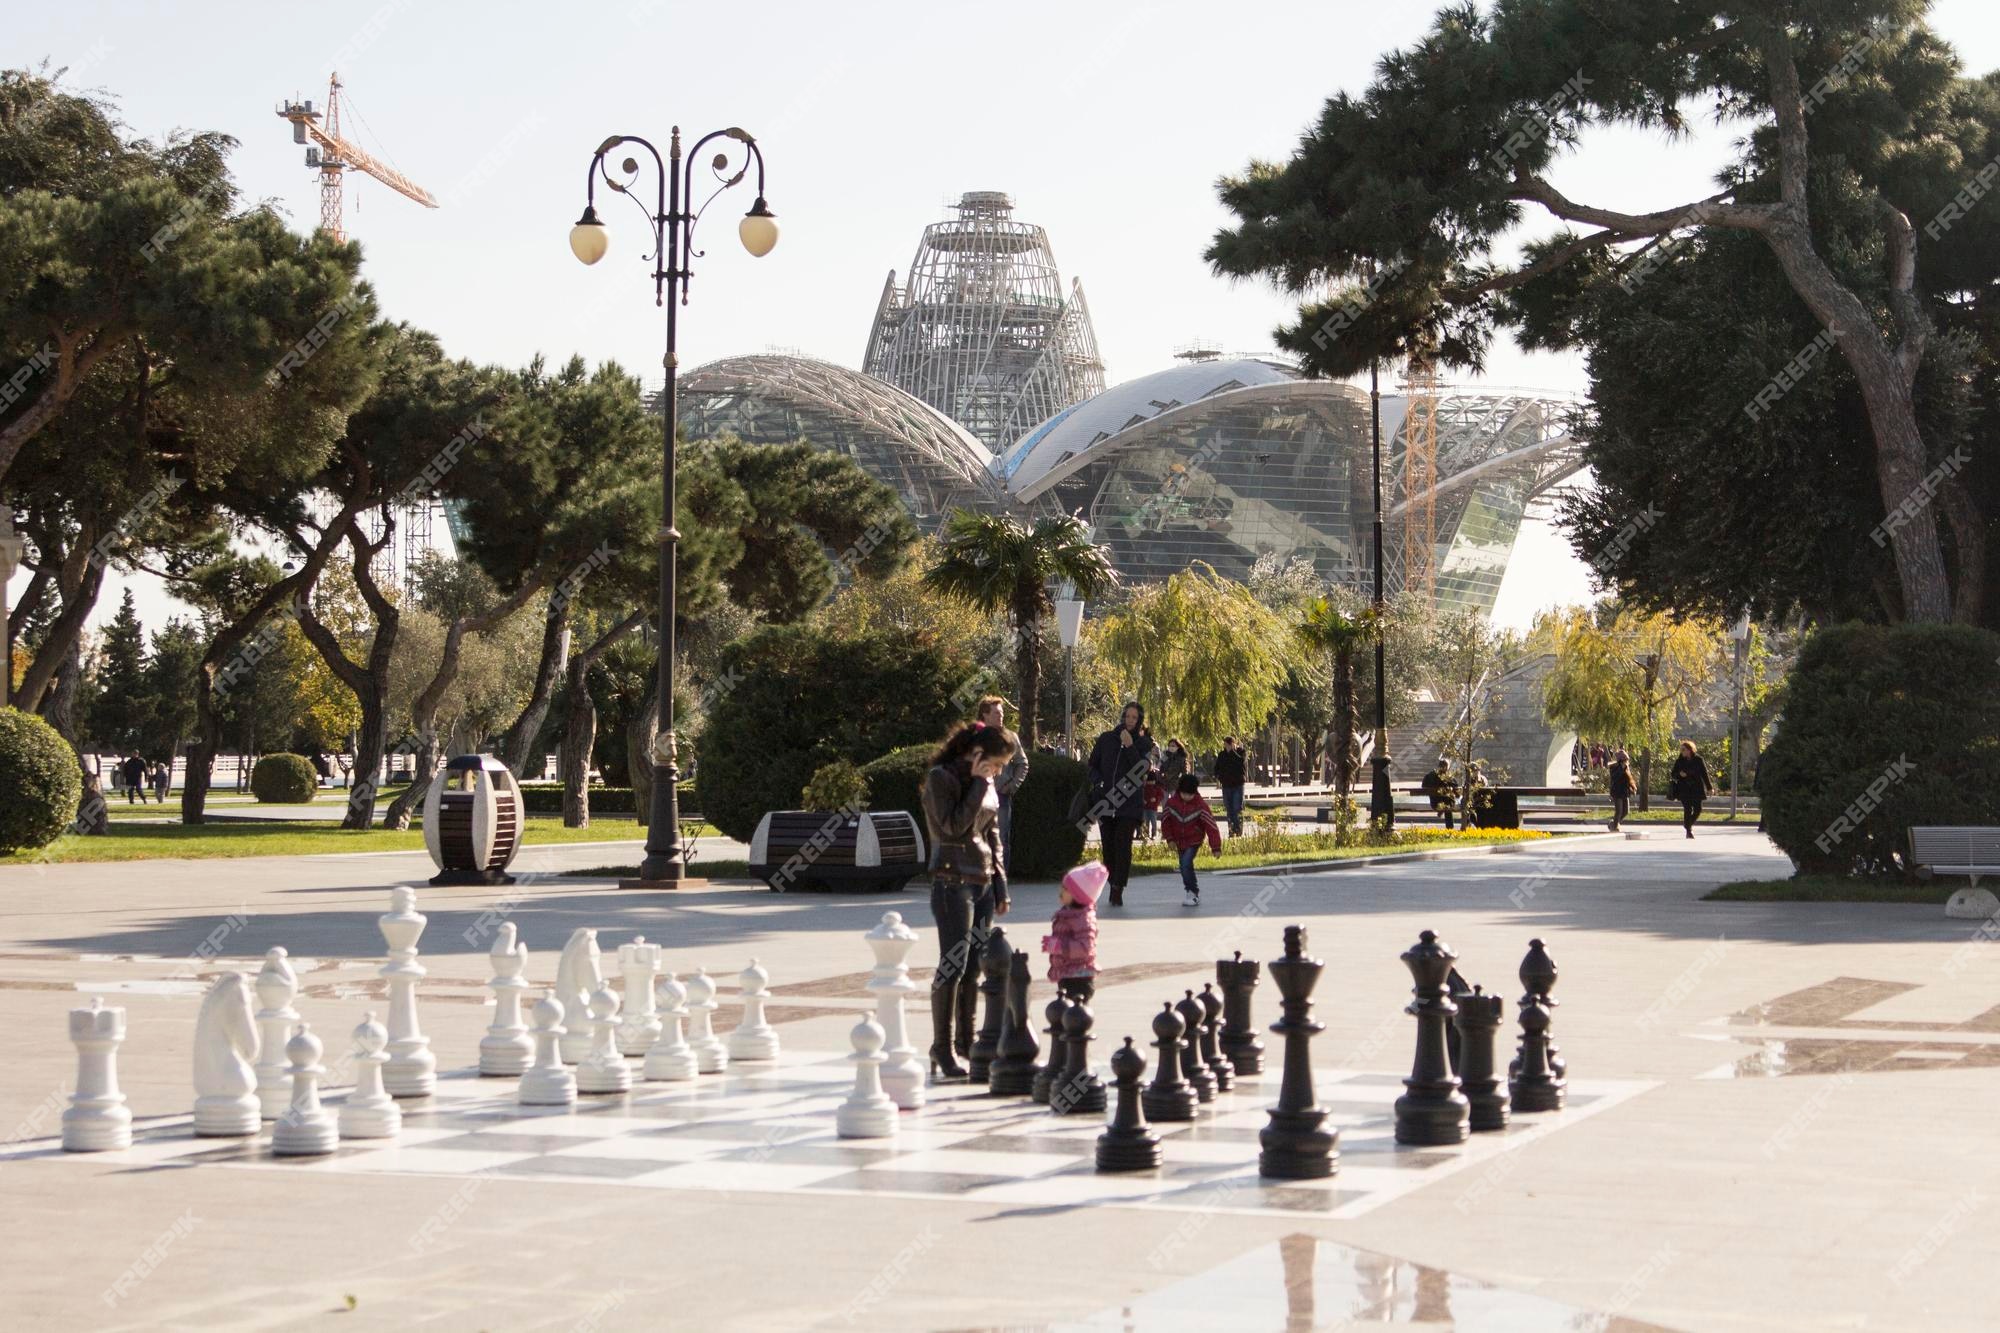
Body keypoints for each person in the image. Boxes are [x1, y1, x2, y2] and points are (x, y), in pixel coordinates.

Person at [919, 721, 1015, 1079]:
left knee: (974, 966)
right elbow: (953, 828)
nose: (999, 771)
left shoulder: (987, 782)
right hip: (951, 881)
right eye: (996, 763)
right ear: (976, 755)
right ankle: (941, 1048)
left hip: (983, 882)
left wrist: (1001, 885)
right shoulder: (941, 779)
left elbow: (993, 834)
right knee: (953, 965)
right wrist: (977, 781)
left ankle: (966, 1043)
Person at [1087, 702, 1156, 908]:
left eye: (1135, 718)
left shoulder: (1144, 744)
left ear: (1139, 721)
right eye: (1128, 716)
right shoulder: (1107, 739)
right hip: (1107, 802)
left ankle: (1118, 888)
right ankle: (1111, 882)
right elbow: (1092, 765)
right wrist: (1098, 782)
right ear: (1122, 717)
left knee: (1122, 845)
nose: (1130, 721)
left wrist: (1130, 747)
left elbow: (1141, 770)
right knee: (1108, 848)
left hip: (1129, 804)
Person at [1042, 861, 1104, 1003]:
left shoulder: (1083, 919)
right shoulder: (1067, 914)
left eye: (1065, 889)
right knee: (1065, 1013)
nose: (1060, 892)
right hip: (1067, 973)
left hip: (1079, 977)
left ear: (1077, 895)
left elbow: (1085, 947)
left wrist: (1059, 946)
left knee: (1075, 1017)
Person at [1161, 773, 1223, 908]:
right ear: (1179, 791)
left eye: (1190, 794)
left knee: (1185, 863)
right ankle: (1190, 889)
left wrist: (1216, 847)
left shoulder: (1201, 806)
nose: (1187, 797)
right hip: (1178, 841)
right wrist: (1169, 839)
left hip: (1194, 841)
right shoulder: (1171, 804)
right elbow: (1165, 822)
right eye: (1184, 794)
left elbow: (1211, 827)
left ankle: (1193, 892)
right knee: (1184, 867)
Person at [1670, 739, 1713, 839]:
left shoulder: (1698, 760)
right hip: (1684, 788)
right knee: (1687, 809)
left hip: (1696, 788)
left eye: (1684, 749)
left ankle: (1687, 824)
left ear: (1690, 750)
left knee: (1698, 809)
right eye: (1681, 750)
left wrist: (1709, 787)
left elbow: (1704, 774)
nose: (1682, 752)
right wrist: (1679, 774)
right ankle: (1689, 831)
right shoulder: (1679, 761)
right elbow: (1673, 774)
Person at [1212, 735, 1248, 838]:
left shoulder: (1241, 752)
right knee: (1229, 808)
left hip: (1238, 785)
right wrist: (1219, 776)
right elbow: (1217, 768)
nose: (1227, 747)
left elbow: (1241, 762)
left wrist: (1233, 751)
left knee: (1237, 807)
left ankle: (1238, 830)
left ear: (1234, 744)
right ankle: (1231, 830)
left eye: (1229, 744)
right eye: (1225, 745)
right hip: (1226, 785)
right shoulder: (1222, 754)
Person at [1419, 758, 1458, 829]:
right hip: (1447, 804)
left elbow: (1423, 786)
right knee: (1448, 804)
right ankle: (1450, 828)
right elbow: (1457, 791)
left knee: (1447, 802)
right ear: (1447, 767)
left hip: (1435, 803)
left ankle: (1442, 810)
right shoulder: (1450, 777)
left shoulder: (1430, 776)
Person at [1607, 747, 1633, 831]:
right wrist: (1621, 769)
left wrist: (1633, 787)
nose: (1627, 762)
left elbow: (1629, 779)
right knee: (1619, 811)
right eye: (1625, 760)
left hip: (1625, 791)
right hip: (1617, 791)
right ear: (1621, 760)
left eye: (1627, 760)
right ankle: (1615, 826)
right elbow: (1615, 778)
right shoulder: (1614, 768)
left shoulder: (1626, 768)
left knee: (1626, 811)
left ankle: (1613, 823)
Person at [1140, 766, 1165, 842]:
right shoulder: (1145, 787)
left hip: (1153, 808)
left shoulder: (1157, 788)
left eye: (1152, 781)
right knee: (1145, 822)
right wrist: (1143, 800)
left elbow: (1161, 795)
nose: (1150, 783)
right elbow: (1142, 795)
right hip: (1145, 807)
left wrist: (1156, 799)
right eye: (1149, 781)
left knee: (1153, 822)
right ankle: (1146, 834)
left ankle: (1153, 834)